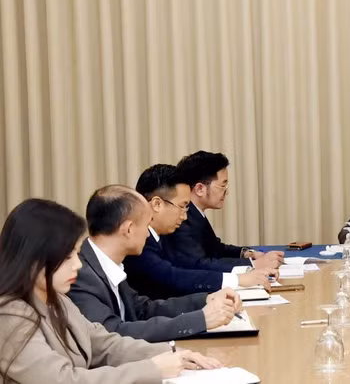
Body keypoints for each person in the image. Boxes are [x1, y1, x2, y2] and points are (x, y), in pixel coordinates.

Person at [0, 199, 222, 383]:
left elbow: (104, 344)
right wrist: (152, 369)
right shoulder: (10, 316)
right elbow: (64, 380)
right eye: (68, 256)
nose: (77, 264)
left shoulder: (56, 299)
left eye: (76, 254)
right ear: (34, 257)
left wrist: (174, 354)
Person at [68, 185, 241, 342]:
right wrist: (200, 319)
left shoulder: (106, 263)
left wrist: (205, 300)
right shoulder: (80, 274)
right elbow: (113, 333)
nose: (148, 235)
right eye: (146, 225)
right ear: (128, 229)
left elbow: (143, 309)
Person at [125, 164, 274, 299]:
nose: (184, 216)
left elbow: (187, 270)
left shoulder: (161, 236)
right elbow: (172, 276)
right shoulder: (138, 243)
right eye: (182, 206)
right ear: (157, 204)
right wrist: (238, 279)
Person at [166, 151, 283, 272]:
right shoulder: (181, 218)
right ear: (200, 189)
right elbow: (199, 264)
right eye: (222, 186)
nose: (226, 192)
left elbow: (215, 249)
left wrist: (247, 254)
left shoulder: (195, 212)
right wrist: (253, 265)